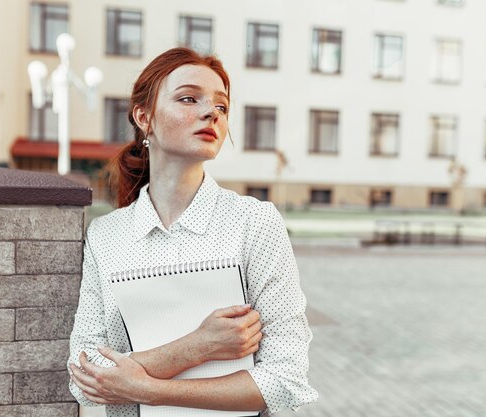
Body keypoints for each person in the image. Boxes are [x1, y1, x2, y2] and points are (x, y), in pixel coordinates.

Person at [68, 47, 318, 417]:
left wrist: (147, 389)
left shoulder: (255, 223)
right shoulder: (107, 237)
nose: (210, 113)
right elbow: (85, 379)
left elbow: (286, 379)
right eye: (189, 98)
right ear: (144, 117)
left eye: (221, 106)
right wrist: (198, 346)